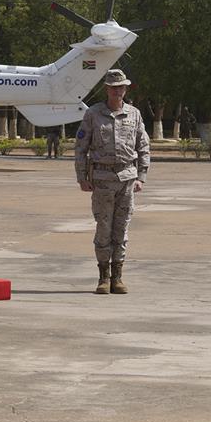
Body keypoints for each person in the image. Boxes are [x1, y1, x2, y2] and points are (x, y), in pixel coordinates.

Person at [74, 68, 150, 294]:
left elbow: (143, 146)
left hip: (127, 179)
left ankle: (118, 277)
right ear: (107, 89)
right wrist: (82, 178)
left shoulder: (134, 114)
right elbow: (81, 147)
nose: (118, 91)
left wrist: (142, 176)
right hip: (102, 180)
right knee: (103, 228)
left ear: (126, 89)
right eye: (114, 87)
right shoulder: (93, 114)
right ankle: (103, 277)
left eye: (122, 87)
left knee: (122, 229)